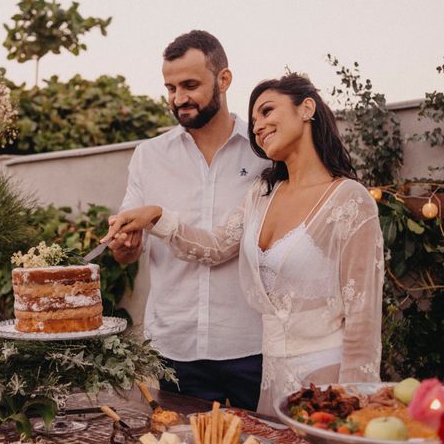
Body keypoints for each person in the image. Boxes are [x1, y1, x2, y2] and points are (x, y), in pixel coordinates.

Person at [104, 73, 384, 416]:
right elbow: (215, 246)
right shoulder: (262, 195)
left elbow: (363, 317)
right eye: (254, 122)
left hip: (326, 379)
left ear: (307, 108)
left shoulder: (350, 200)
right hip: (271, 381)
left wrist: (356, 399)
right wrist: (157, 216)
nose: (259, 127)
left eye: (267, 111)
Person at [109, 30, 269, 411]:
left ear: (224, 79)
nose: (178, 98)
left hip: (253, 342)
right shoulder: (149, 156)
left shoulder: (265, 152)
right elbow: (129, 252)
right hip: (176, 345)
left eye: (190, 85)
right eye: (170, 87)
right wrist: (124, 246)